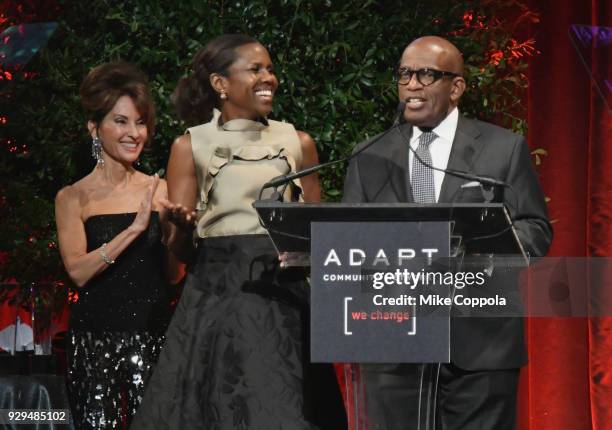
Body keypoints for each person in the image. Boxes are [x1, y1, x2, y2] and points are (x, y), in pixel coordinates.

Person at [132, 34, 346, 429]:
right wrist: (178, 229)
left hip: (282, 299)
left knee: (282, 408)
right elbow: (181, 253)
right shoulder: (190, 145)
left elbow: (319, 237)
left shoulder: (298, 142)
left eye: (270, 68)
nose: (269, 77)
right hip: (217, 300)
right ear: (220, 84)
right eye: (255, 69)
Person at [342, 36, 553, 429]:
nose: (412, 85)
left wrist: (480, 256)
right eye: (405, 74)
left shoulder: (502, 148)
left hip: (479, 344)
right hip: (393, 343)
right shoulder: (368, 154)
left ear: (455, 88)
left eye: (426, 74)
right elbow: (351, 241)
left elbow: (535, 229)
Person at [55, 62, 176, 428]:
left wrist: (180, 235)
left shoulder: (160, 189)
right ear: (95, 128)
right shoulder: (72, 197)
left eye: (140, 123)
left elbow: (173, 274)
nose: (134, 133)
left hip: (153, 336)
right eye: (121, 121)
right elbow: (77, 272)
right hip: (92, 339)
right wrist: (133, 230)